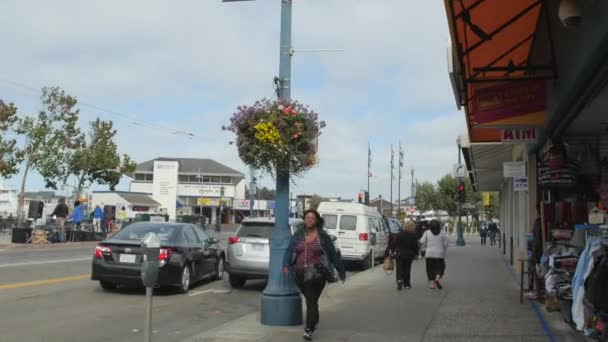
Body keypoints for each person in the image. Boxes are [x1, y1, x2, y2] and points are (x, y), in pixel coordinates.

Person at [283, 209, 346, 341]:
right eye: (307, 218)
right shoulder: (298, 235)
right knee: (312, 300)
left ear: (316, 220)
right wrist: (286, 265)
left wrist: (340, 271)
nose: (309, 220)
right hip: (300, 274)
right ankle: (314, 319)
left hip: (317, 274)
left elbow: (333, 254)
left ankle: (309, 329)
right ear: (304, 220)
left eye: (312, 217)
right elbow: (289, 251)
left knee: (311, 300)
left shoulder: (322, 236)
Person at [389, 220, 419, 290]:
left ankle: (399, 279)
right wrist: (416, 254)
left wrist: (392, 251)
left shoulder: (399, 234)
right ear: (413, 227)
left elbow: (393, 244)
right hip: (409, 255)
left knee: (399, 268)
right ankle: (407, 284)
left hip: (399, 254)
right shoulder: (413, 236)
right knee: (407, 269)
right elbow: (415, 246)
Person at [420, 219, 448, 290]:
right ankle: (437, 277)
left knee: (430, 269)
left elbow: (422, 241)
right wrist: (444, 250)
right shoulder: (442, 233)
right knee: (441, 267)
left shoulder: (427, 232)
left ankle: (431, 284)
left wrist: (422, 248)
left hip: (429, 254)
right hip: (439, 254)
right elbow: (446, 244)